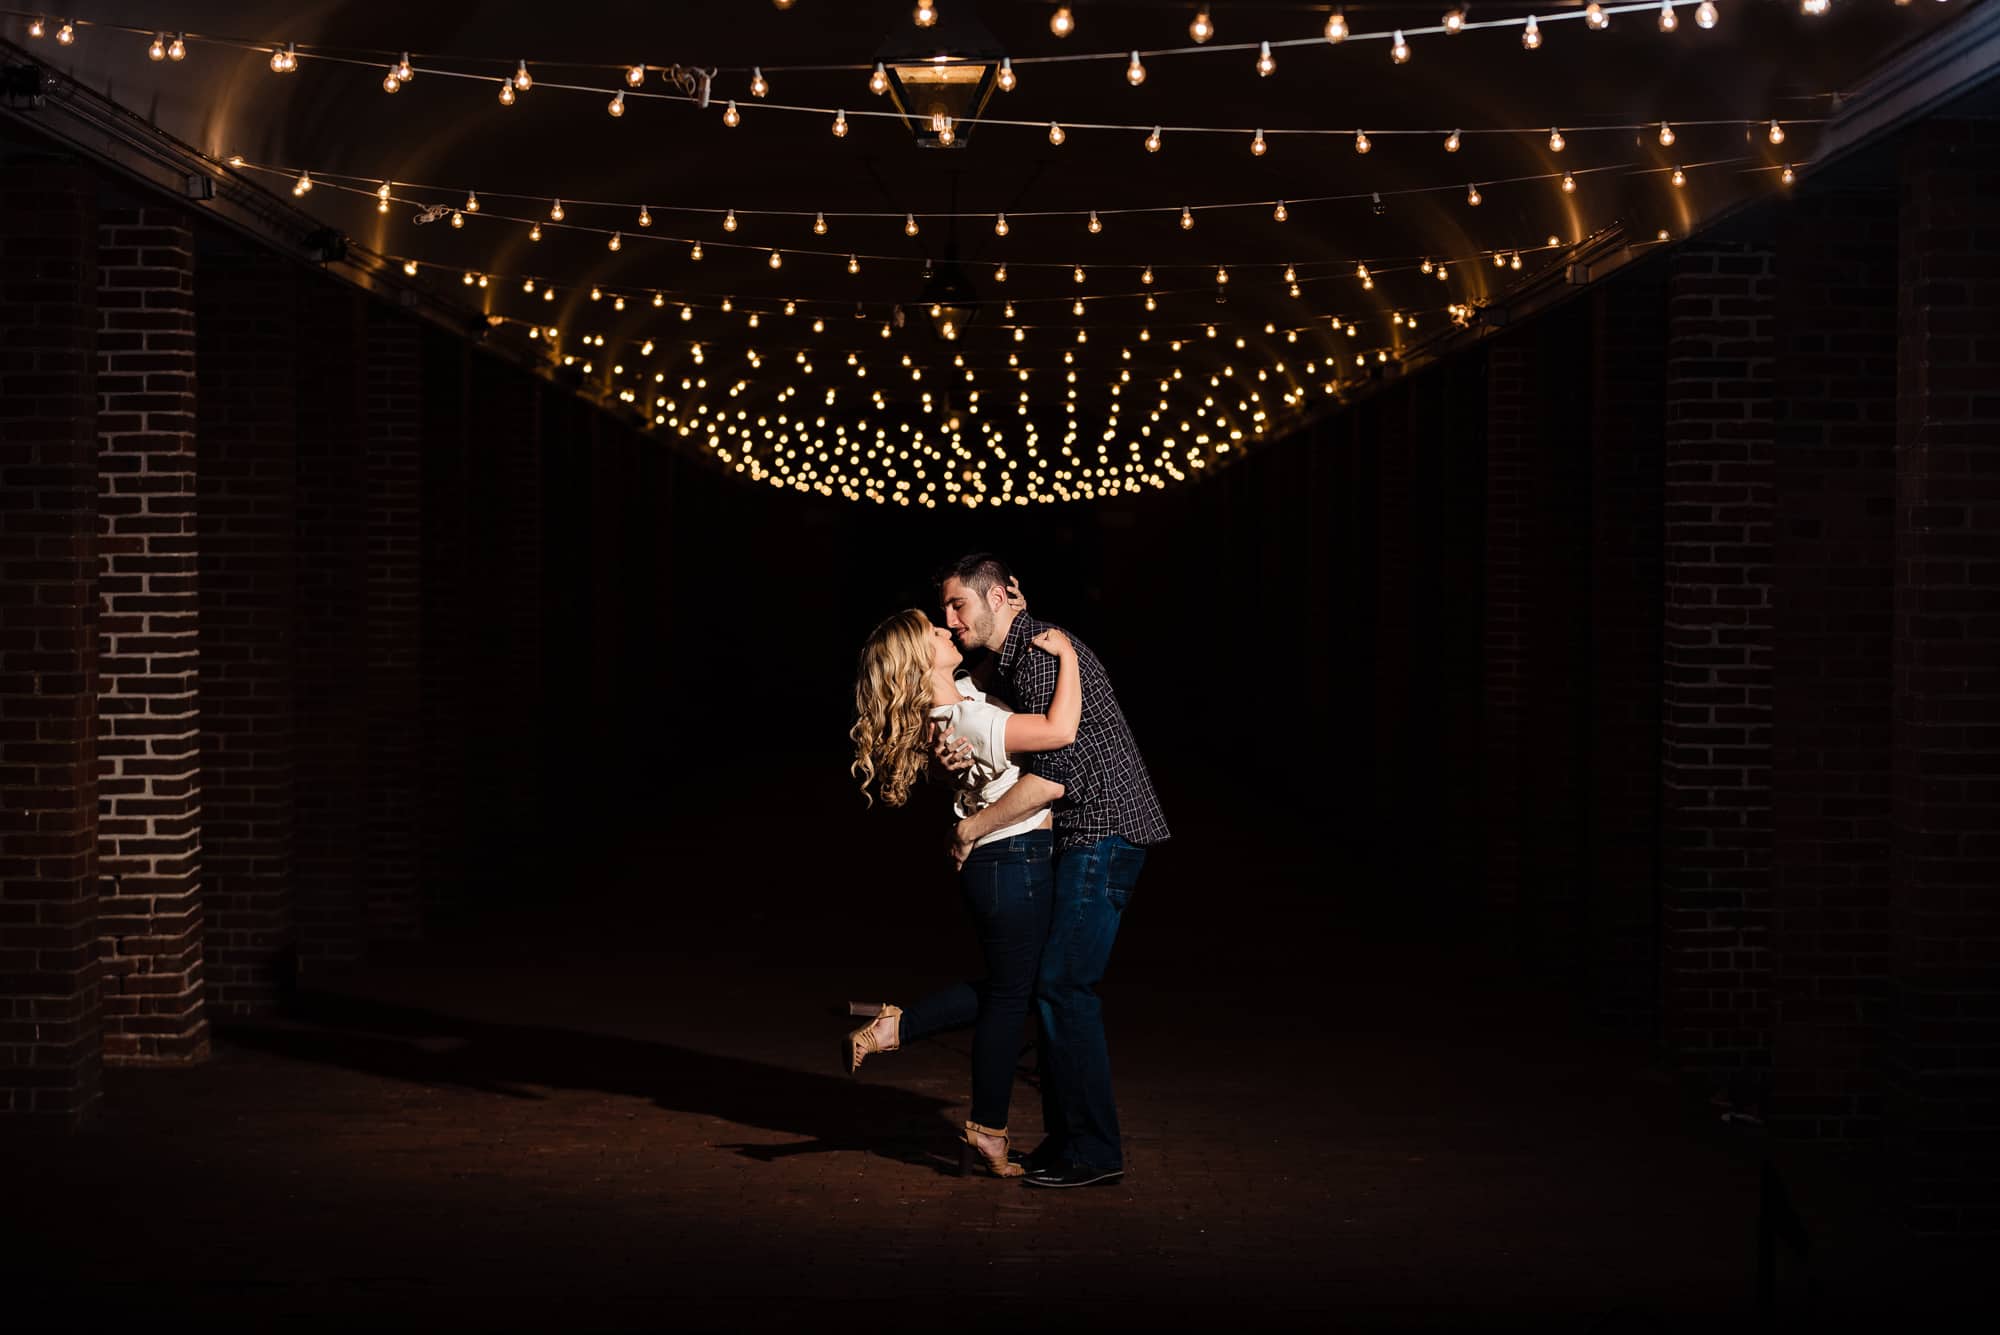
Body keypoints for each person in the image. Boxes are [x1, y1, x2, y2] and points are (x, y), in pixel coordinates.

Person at [934, 554, 1169, 1190]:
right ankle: (1070, 1143)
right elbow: (988, 728)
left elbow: (1051, 779)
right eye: (946, 608)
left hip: (1104, 834)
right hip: (1088, 837)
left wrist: (970, 831)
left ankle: (1094, 1152)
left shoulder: (1039, 656)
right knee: (1050, 988)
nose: (950, 620)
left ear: (1005, 595)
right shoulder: (1014, 662)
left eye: (959, 605)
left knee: (1064, 989)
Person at [845, 608, 1081, 1178]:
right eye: (933, 631)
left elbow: (990, 668)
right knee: (1011, 994)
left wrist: (1013, 609)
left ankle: (910, 1041)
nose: (948, 630)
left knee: (1011, 990)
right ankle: (977, 1117)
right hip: (1013, 862)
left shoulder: (960, 702)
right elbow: (1060, 732)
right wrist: (1070, 657)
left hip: (1002, 865)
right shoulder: (964, 718)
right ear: (921, 658)